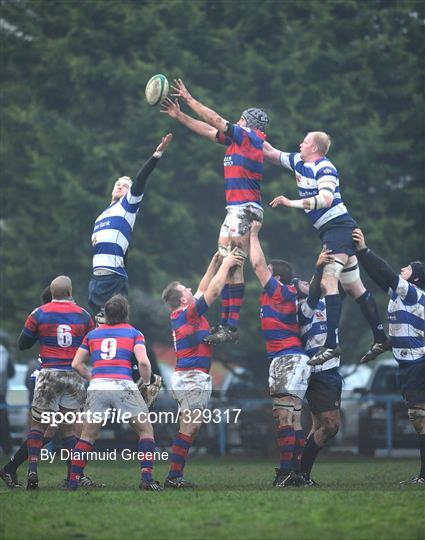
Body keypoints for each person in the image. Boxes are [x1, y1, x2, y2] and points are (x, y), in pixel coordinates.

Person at [265, 132, 390, 365]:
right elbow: (270, 152)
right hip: (334, 231)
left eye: (305, 141)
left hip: (338, 229)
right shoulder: (297, 161)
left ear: (314, 148)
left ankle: (331, 345)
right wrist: (248, 134)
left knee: (327, 282)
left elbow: (326, 199)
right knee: (354, 288)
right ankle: (381, 337)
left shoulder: (325, 168)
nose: (300, 143)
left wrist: (289, 202)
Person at [161, 78, 268, 344]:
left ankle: (230, 325)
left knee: (234, 262)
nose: (236, 121)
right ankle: (226, 325)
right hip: (236, 209)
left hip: (245, 209)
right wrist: (180, 116)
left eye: (240, 119)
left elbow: (216, 119)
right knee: (228, 262)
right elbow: (208, 131)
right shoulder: (236, 140)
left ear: (247, 123)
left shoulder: (250, 137)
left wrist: (188, 98)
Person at [162, 249, 244, 488]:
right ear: (183, 299)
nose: (190, 289)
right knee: (193, 424)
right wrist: (227, 264)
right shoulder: (189, 313)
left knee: (190, 426)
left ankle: (174, 475)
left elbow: (203, 286)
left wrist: (214, 262)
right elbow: (214, 290)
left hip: (191, 376)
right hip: (190, 377)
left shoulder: (185, 312)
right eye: (186, 289)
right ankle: (174, 476)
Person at [352, 228, 425, 485]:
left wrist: (364, 250)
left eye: (406, 269)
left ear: (414, 279)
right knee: (418, 418)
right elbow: (377, 276)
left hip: (418, 364)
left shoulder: (415, 294)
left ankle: (424, 476)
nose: (401, 269)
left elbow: (385, 272)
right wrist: (360, 257)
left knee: (419, 418)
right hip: (407, 363)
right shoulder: (399, 295)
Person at [10, 276, 94, 490]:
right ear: (70, 292)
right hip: (73, 376)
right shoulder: (84, 315)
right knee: (68, 430)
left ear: (52, 293)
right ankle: (72, 477)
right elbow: (92, 345)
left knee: (38, 426)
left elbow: (22, 344)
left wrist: (42, 334)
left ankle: (32, 472)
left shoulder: (38, 313)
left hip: (48, 374)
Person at [69, 294, 162, 491]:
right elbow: (144, 362)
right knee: (145, 431)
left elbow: (77, 364)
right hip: (122, 385)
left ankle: (73, 480)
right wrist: (145, 383)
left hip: (98, 386)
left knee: (87, 436)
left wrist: (92, 377)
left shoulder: (92, 335)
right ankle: (146, 479)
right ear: (126, 313)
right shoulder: (134, 333)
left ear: (106, 314)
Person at [249, 220, 310, 488]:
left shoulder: (279, 291)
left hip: (287, 357)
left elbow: (258, 265)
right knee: (293, 416)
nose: (265, 275)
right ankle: (294, 472)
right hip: (288, 358)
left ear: (278, 277)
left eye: (271, 272)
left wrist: (253, 234)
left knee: (283, 415)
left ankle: (286, 471)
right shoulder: (279, 293)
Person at [89, 134, 172, 320]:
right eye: (117, 184)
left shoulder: (128, 206)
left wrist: (156, 155)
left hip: (112, 277)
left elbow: (141, 178)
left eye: (125, 186)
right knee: (97, 326)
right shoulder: (101, 216)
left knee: (115, 324)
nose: (120, 186)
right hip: (96, 278)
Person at [294, 249, 343, 486]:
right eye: (301, 283)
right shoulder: (303, 310)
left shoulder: (326, 301)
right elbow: (314, 290)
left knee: (318, 426)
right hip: (320, 372)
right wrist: (318, 267)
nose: (306, 283)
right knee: (331, 426)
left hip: (332, 370)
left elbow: (333, 284)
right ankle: (300, 471)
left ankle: (301, 474)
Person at [0, 335, 15, 456]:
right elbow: (11, 373)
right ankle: (6, 448)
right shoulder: (4, 353)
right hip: (1, 392)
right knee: (3, 421)